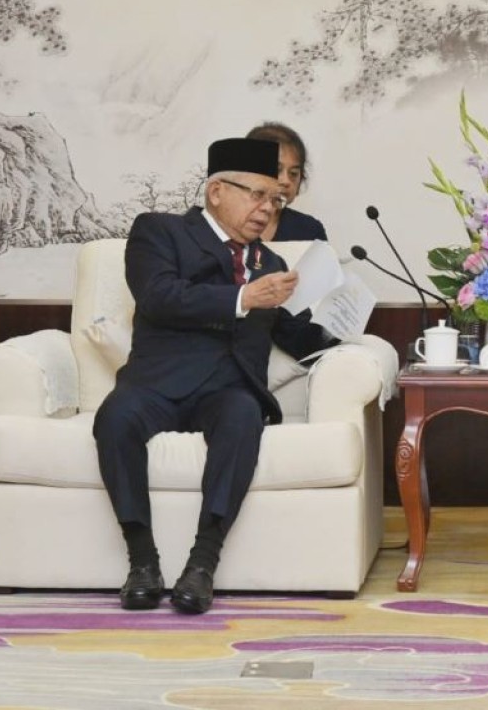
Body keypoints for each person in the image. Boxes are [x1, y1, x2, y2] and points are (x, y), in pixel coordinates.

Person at [93, 138, 339, 614]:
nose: (267, 209)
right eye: (257, 195)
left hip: (227, 389)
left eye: (276, 200)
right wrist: (244, 298)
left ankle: (202, 563)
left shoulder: (271, 264)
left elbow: (292, 333)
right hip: (157, 383)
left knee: (243, 415)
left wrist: (342, 332)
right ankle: (142, 560)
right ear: (216, 191)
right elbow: (159, 297)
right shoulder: (159, 232)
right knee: (114, 419)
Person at [245, 122, 328, 242]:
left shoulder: (310, 230)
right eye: (277, 170)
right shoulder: (227, 224)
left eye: (293, 173)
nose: (285, 181)